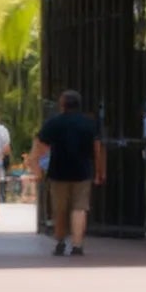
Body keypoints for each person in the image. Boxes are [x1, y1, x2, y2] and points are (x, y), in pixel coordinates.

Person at [30, 89, 105, 257]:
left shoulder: (53, 123)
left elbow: (39, 146)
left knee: (60, 209)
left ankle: (60, 242)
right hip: (83, 171)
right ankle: (77, 245)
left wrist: (36, 168)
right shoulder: (89, 123)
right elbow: (97, 148)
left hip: (58, 171)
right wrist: (99, 171)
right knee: (80, 208)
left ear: (62, 105)